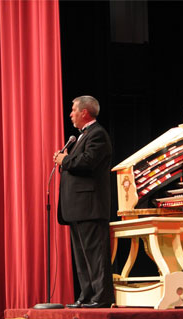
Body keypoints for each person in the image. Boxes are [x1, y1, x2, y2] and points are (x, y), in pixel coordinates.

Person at [53, 96, 115, 308]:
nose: (70, 114)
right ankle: (86, 296)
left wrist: (65, 160)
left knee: (95, 255)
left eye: (73, 110)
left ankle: (101, 297)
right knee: (82, 257)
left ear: (84, 113)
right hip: (78, 208)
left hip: (90, 206)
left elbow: (88, 162)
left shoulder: (97, 134)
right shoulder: (82, 136)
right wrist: (67, 158)